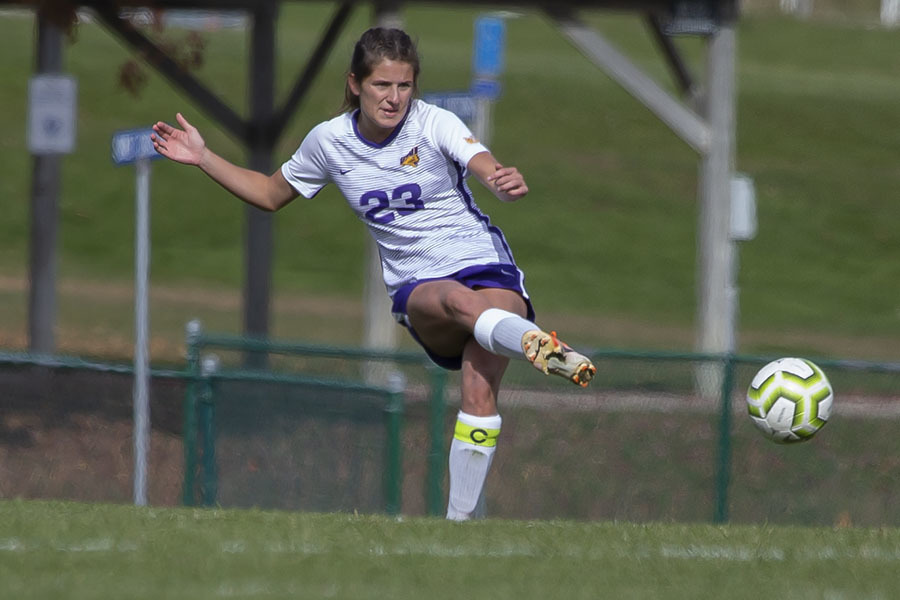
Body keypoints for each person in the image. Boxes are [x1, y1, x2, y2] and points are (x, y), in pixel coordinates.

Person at [151, 27, 596, 521]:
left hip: (486, 262)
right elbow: (270, 194)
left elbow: (481, 161)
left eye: (404, 85)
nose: (394, 98)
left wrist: (499, 177)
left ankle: (459, 528)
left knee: (478, 391)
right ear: (355, 84)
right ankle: (535, 343)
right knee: (457, 302)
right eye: (382, 85)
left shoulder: (434, 122)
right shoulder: (330, 141)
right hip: (419, 282)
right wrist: (203, 157)